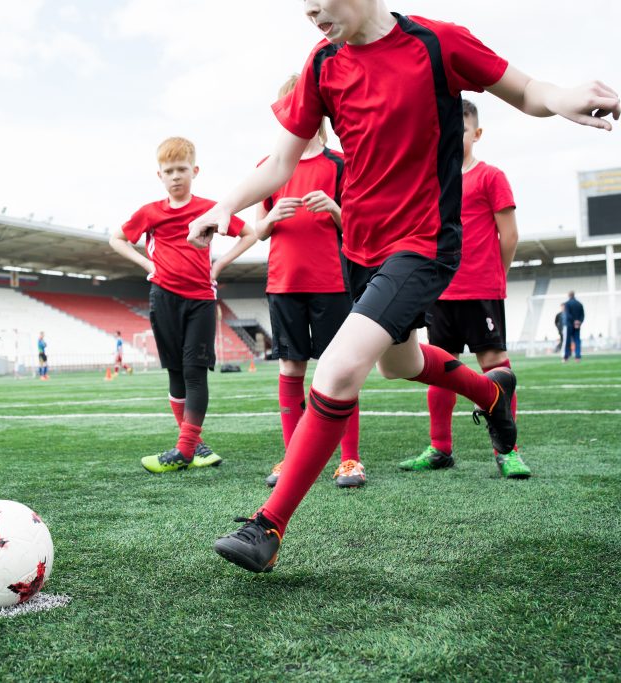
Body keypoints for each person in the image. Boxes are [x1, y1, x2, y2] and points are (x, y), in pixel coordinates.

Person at [189, 0, 618, 573]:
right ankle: (493, 395)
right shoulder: (321, 64)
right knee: (399, 363)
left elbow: (526, 89)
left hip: (424, 242)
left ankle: (267, 525)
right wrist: (224, 205)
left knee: (339, 369)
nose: (310, 9)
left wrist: (563, 98)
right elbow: (279, 163)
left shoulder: (438, 43)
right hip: (358, 249)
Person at [399, 99, 530, 479]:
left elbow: (510, 234)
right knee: (442, 369)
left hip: (481, 288)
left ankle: (508, 450)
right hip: (439, 290)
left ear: (477, 133)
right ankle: (440, 448)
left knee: (494, 366)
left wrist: (495, 276)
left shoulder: (490, 177)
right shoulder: (432, 179)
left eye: (461, 128)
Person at [109, 136, 257, 473]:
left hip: (201, 300)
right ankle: (192, 445)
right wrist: (148, 266)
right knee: (175, 375)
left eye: (182, 169)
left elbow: (249, 233)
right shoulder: (150, 212)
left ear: (195, 170)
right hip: (163, 299)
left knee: (194, 373)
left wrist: (218, 266)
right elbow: (116, 239)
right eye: (169, 171)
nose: (176, 176)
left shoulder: (210, 209)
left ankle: (184, 451)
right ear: (159, 175)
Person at [256, 74, 364, 489]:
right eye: (289, 107)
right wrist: (270, 217)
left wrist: (336, 208)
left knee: (340, 371)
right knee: (290, 367)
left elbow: (359, 226)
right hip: (283, 283)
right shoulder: (267, 169)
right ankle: (292, 460)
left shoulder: (339, 164)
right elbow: (257, 230)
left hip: (332, 283)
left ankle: (350, 459)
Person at [563, 291, 585, 362]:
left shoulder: (567, 304)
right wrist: (579, 321)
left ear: (569, 296)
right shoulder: (579, 304)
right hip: (577, 326)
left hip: (569, 325)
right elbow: (582, 315)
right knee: (577, 340)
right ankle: (577, 357)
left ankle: (566, 357)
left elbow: (568, 315)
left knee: (567, 341)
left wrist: (573, 321)